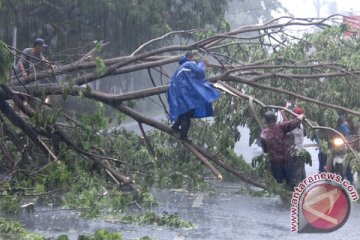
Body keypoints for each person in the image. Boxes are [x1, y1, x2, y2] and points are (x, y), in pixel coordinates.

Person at [167, 51, 221, 141]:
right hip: (184, 95)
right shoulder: (188, 64)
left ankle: (175, 127)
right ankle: (183, 137)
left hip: (179, 95)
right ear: (189, 57)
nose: (193, 60)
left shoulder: (180, 68)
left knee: (184, 113)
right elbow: (199, 72)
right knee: (186, 117)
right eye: (192, 58)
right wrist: (202, 64)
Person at [260, 111, 304, 187]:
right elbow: (292, 124)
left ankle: (282, 193)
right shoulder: (281, 127)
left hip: (275, 162)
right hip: (286, 159)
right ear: (275, 119)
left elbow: (265, 150)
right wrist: (301, 117)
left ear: (266, 121)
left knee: (278, 182)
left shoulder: (264, 133)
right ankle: (291, 193)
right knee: (291, 182)